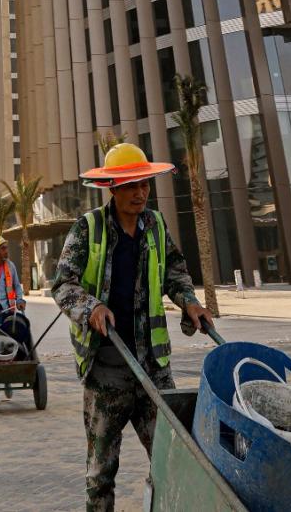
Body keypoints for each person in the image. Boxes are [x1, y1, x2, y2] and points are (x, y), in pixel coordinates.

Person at [52, 143, 214, 512]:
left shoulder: (155, 225)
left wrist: (188, 301)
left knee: (175, 459)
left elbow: (175, 270)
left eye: (144, 184)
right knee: (101, 472)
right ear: (112, 188)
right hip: (107, 369)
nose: (139, 193)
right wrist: (91, 307)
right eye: (129, 185)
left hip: (153, 368)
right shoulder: (88, 229)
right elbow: (63, 285)